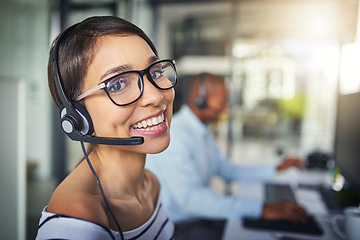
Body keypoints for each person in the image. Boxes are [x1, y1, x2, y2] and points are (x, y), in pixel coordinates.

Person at [36, 16, 178, 240]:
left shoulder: (150, 184)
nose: (155, 95)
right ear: (77, 116)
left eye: (156, 72)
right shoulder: (76, 219)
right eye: (118, 84)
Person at [146, 72, 307, 240]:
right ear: (200, 100)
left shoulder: (202, 131)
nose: (226, 108)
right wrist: (261, 209)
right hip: (177, 226)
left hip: (197, 218)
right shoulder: (177, 135)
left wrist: (275, 168)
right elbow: (190, 199)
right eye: (222, 101)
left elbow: (227, 171)